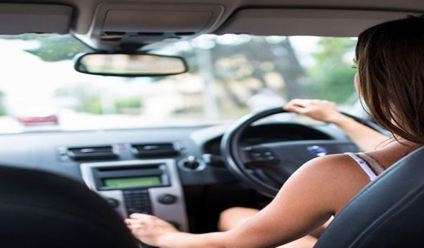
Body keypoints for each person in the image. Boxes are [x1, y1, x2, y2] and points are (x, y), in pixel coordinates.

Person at [125, 17, 424, 248]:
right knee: (234, 215)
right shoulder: (409, 164)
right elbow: (399, 156)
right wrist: (336, 119)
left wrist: (165, 237)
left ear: (378, 83)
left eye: (357, 68)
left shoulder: (331, 173)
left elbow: (236, 243)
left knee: (240, 226)